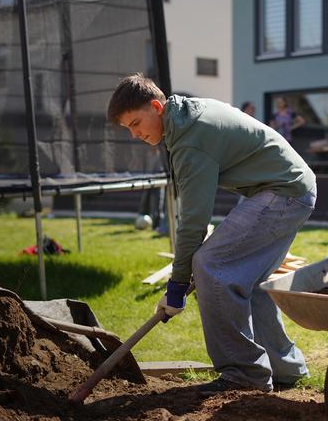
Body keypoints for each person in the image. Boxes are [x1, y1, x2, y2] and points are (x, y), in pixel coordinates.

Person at [107, 73, 317, 394]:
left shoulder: (190, 138)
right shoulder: (186, 117)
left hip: (283, 191)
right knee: (252, 281)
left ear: (155, 106)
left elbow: (192, 219)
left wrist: (177, 284)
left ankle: (245, 373)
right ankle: (284, 366)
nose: (135, 134)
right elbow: (198, 212)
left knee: (211, 264)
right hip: (291, 187)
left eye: (136, 123)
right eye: (129, 129)